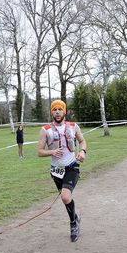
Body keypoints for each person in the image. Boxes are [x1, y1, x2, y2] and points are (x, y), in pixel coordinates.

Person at [38, 99, 87, 242]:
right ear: (52, 112)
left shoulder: (73, 126)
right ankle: (75, 218)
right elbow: (40, 151)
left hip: (71, 167)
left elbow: (82, 141)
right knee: (66, 199)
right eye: (55, 110)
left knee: (65, 196)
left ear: (64, 111)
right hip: (56, 171)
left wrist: (82, 152)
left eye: (60, 109)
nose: (57, 112)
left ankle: (73, 224)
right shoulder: (45, 130)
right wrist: (52, 152)